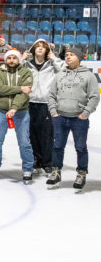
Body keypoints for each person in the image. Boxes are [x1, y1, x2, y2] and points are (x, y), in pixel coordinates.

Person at [47, 47, 98, 190]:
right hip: (60, 117)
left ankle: (81, 173)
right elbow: (51, 95)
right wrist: (53, 112)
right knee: (57, 146)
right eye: (66, 55)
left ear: (79, 58)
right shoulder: (59, 75)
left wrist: (85, 113)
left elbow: (94, 96)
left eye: (72, 55)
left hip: (79, 119)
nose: (68, 57)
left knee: (81, 147)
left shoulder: (89, 76)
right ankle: (56, 172)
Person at [0, 49, 35, 182]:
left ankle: (28, 169)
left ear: (19, 59)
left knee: (24, 142)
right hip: (1, 111)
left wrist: (14, 107)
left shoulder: (26, 72)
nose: (11, 60)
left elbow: (25, 94)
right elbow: (0, 89)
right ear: (5, 59)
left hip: (21, 111)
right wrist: (20, 88)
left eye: (14, 58)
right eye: (9, 58)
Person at [22, 39, 64, 174]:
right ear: (33, 49)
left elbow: (64, 70)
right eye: (37, 46)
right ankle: (36, 159)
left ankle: (47, 162)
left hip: (46, 103)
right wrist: (22, 58)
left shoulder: (51, 64)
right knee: (32, 133)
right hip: (30, 102)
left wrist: (54, 58)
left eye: (43, 47)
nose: (40, 48)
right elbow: (16, 71)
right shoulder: (27, 64)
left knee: (46, 134)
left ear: (47, 50)